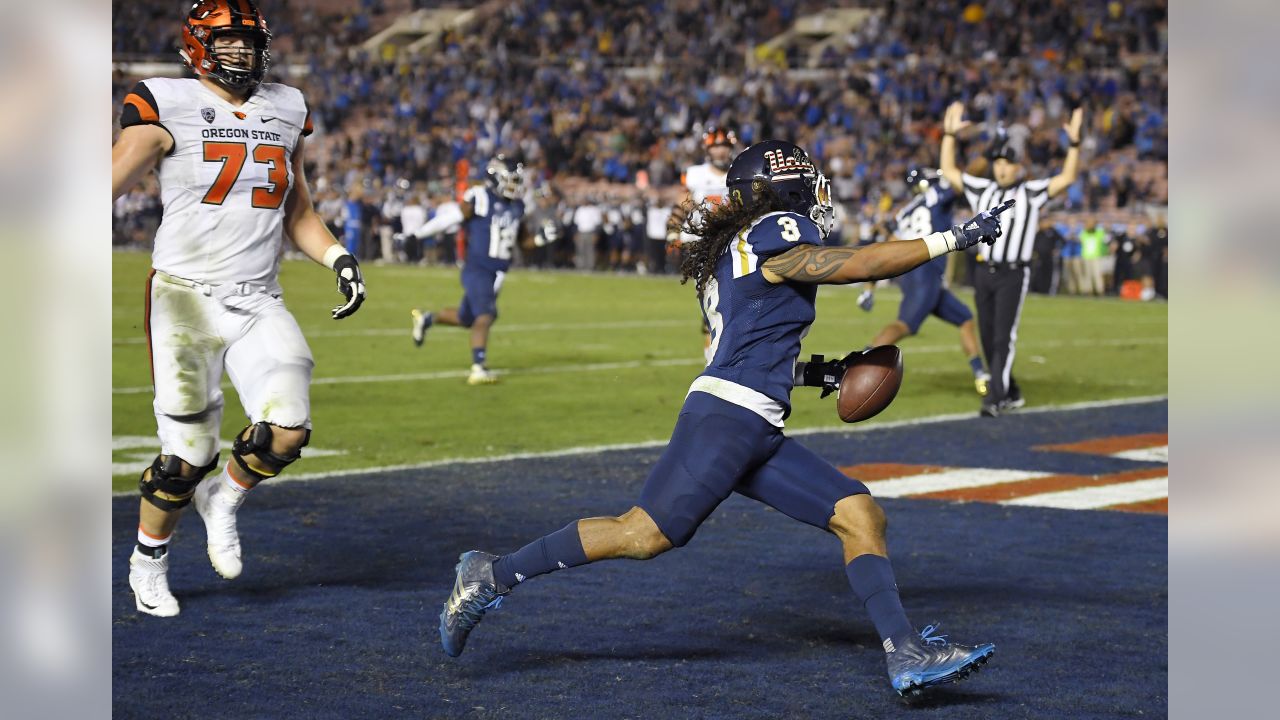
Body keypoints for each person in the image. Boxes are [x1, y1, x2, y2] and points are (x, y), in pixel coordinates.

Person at [437, 141, 1011, 698]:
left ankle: (906, 651)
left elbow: (743, 352)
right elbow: (849, 264)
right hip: (729, 419)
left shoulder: (733, 252)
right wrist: (949, 239)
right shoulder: (776, 232)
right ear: (784, 191)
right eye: (807, 181)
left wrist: (817, 374)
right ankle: (491, 574)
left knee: (859, 514)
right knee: (643, 534)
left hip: (749, 418)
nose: (816, 191)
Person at [111, 0, 366, 616]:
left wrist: (338, 259)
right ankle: (148, 563)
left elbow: (298, 212)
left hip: (257, 297)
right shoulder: (162, 100)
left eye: (249, 41)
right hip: (185, 299)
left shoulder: (286, 106)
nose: (241, 52)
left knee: (288, 430)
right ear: (197, 43)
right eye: (226, 41)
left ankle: (223, 498)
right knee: (186, 457)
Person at [940, 102, 1084, 417]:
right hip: (983, 271)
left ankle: (997, 396)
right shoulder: (982, 189)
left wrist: (1073, 144)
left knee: (1004, 335)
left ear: (1019, 166)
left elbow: (1067, 178)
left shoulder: (1031, 191)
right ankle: (1011, 390)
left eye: (1008, 163)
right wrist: (949, 135)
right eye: (997, 163)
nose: (1001, 168)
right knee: (990, 337)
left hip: (1013, 273)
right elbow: (949, 172)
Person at [858, 168, 990, 397]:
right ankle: (860, 362)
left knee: (966, 319)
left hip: (914, 273)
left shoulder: (904, 212)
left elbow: (887, 244)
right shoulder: (933, 196)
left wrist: (869, 289)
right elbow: (959, 183)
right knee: (904, 325)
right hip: (925, 270)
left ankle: (981, 374)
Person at [408, 156, 529, 385]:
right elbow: (450, 218)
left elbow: (524, 241)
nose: (514, 185)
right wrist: (418, 235)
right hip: (478, 268)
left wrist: (543, 238)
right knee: (486, 316)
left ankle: (427, 319)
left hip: (499, 272)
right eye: (510, 180)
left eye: (516, 181)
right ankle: (478, 367)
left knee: (466, 319)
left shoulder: (517, 206)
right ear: (495, 178)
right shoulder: (480, 197)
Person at [667, 125, 737, 362]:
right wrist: (672, 230)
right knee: (712, 302)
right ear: (708, 149)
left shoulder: (739, 172)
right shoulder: (696, 174)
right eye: (716, 146)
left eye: (724, 146)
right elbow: (682, 204)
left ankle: (719, 355)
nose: (720, 152)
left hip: (731, 241)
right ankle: (713, 359)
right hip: (700, 243)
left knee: (727, 300)